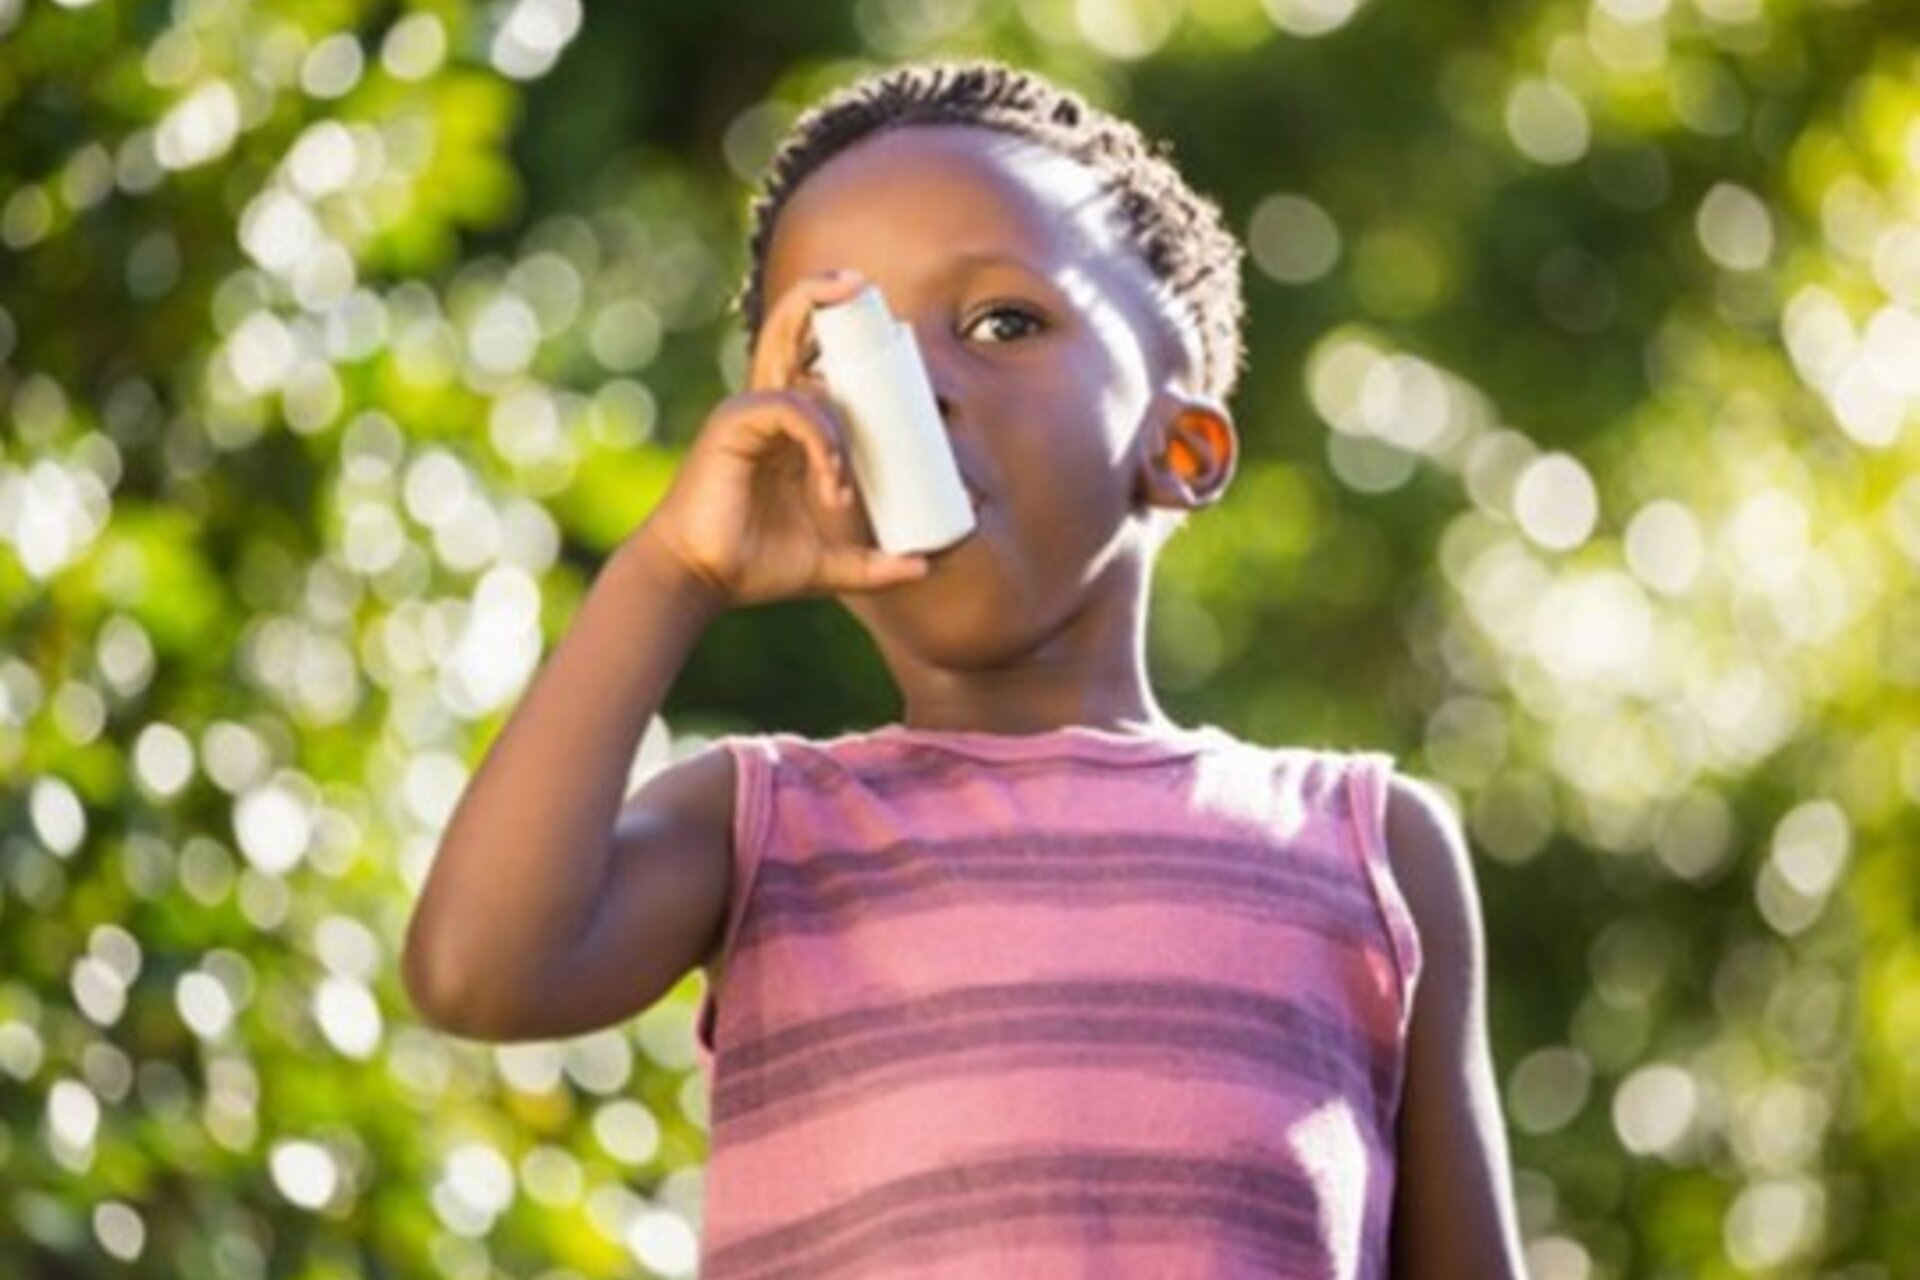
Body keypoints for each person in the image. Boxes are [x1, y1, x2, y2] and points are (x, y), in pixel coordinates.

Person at [403, 58, 1526, 1280]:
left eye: (1002, 324)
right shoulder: (761, 825)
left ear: (1183, 446)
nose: (919, 385)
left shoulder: (1367, 846)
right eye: (845, 354)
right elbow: (477, 971)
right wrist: (674, 570)